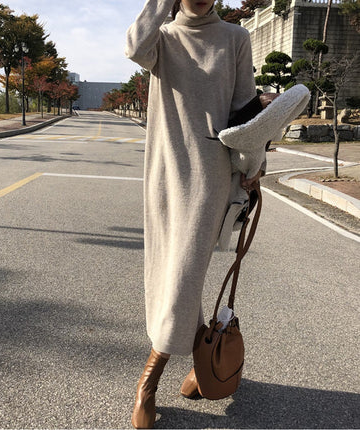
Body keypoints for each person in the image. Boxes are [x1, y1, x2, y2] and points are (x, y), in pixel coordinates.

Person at [125, 1, 274, 428]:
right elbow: (135, 48)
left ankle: (148, 381)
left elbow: (246, 109)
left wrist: (253, 165)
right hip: (165, 174)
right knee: (170, 273)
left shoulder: (235, 37)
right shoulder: (163, 37)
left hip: (211, 178)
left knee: (184, 275)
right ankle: (202, 365)